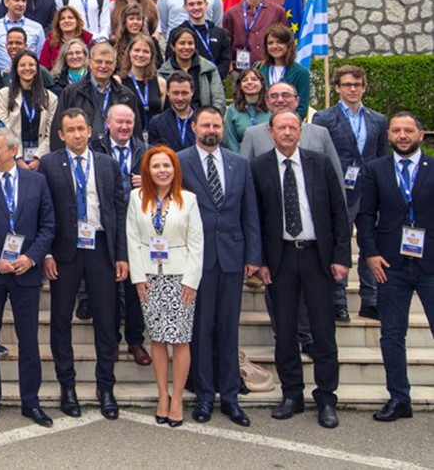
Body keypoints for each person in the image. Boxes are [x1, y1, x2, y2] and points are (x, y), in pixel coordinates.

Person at [253, 111, 351, 429]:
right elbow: (255, 218)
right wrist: (260, 260)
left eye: (292, 127)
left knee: (323, 332)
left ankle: (326, 398)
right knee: (285, 332)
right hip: (279, 258)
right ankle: (292, 394)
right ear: (270, 132)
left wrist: (341, 257)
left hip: (316, 256)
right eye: (281, 127)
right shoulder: (258, 167)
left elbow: (339, 212)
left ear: (300, 131)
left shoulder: (319, 163)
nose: (287, 132)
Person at [39, 109, 128, 420]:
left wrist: (121, 255)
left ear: (90, 131)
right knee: (61, 319)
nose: (76, 134)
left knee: (106, 320)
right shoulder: (49, 164)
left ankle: (106, 387)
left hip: (100, 247)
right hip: (64, 249)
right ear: (61, 135)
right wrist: (46, 254)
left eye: (81, 128)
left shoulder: (107, 164)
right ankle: (68, 386)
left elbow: (119, 210)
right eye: (70, 130)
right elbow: (43, 211)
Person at [0, 129, 56, 425]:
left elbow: (48, 226)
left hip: (25, 271)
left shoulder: (37, 181)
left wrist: (31, 258)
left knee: (28, 340)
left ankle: (31, 402)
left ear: (13, 150)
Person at [178, 107, 261, 426]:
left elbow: (249, 211)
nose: (211, 130)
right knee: (200, 330)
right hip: (195, 259)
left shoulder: (239, 163)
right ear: (194, 127)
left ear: (222, 128)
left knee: (228, 329)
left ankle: (230, 397)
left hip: (232, 256)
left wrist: (253, 256)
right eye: (205, 125)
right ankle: (203, 396)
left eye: (216, 125)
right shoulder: (180, 161)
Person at [356, 112, 433, 422]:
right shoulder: (375, 169)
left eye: (409, 130)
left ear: (421, 134)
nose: (403, 135)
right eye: (397, 130)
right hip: (390, 265)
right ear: (388, 134)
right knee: (392, 335)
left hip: (430, 264)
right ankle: (399, 399)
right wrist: (370, 254)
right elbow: (365, 214)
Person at [126, 145, 204, 427]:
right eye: (156, 166)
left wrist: (191, 281)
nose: (162, 171)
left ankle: (178, 399)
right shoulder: (137, 198)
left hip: (180, 278)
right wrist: (138, 277)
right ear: (148, 170)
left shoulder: (188, 199)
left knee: (181, 339)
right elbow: (132, 237)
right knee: (157, 339)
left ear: (175, 169)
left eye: (167, 165)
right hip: (149, 279)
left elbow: (197, 243)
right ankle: (162, 396)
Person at [313, 65, 390, 321]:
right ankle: (338, 300)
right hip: (339, 189)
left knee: (371, 243)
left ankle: (371, 300)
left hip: (369, 190)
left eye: (357, 85)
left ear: (364, 88)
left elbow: (381, 157)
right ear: (337, 88)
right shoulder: (324, 118)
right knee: (340, 243)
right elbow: (320, 156)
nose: (353, 89)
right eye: (347, 85)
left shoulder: (377, 119)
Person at [91, 104, 151, 364]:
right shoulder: (95, 149)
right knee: (108, 287)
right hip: (106, 224)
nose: (125, 127)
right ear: (108, 123)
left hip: (138, 225)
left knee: (137, 286)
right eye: (120, 122)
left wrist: (148, 182)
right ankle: (112, 340)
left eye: (129, 122)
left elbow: (166, 182)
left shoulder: (145, 151)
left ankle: (135, 340)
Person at [50, 42, 141, 150]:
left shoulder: (126, 96)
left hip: (116, 154)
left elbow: (136, 134)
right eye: (98, 61)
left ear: (114, 65)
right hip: (81, 154)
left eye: (108, 62)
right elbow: (58, 129)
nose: (103, 66)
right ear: (90, 62)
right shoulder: (71, 92)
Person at [239, 82, 342, 176]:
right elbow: (242, 174)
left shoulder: (320, 133)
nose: (280, 100)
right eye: (274, 96)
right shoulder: (253, 134)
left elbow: (335, 174)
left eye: (286, 95)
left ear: (297, 101)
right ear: (267, 102)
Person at [0, 49, 58, 167]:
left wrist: (39, 158)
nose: (27, 68)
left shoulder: (50, 98)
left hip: (41, 158)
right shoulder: (4, 95)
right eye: (22, 65)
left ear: (37, 68)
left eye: (31, 65)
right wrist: (17, 157)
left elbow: (51, 132)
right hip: (12, 156)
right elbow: (4, 128)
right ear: (16, 68)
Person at [222, 0, 288, 70]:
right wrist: (229, 68)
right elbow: (225, 43)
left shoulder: (278, 12)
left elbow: (285, 40)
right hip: (240, 70)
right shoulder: (231, 13)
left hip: (270, 68)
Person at [165, 0, 232, 75]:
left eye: (199, 3)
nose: (196, 8)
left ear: (206, 5)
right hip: (186, 80)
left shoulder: (219, 33)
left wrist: (214, 78)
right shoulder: (176, 33)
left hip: (214, 79)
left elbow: (225, 60)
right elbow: (170, 59)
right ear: (185, 7)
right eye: (191, 4)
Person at [158, 27, 226, 110]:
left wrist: (211, 117)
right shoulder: (163, 73)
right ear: (173, 46)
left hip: (203, 116)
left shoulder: (209, 69)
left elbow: (219, 101)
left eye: (190, 43)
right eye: (182, 43)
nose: (187, 47)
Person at [254, 24, 311, 119]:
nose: (274, 46)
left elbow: (302, 108)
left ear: (288, 45)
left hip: (287, 124)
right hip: (260, 121)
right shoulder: (258, 68)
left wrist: (285, 122)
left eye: (279, 42)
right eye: (270, 43)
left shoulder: (301, 72)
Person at [0, 0, 45, 71]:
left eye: (23, 0)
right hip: (0, 75)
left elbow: (40, 58)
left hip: (28, 74)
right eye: (16, 0)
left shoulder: (37, 28)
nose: (21, 4)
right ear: (6, 2)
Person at [119, 34, 165, 137]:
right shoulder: (119, 82)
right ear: (129, 52)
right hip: (129, 137)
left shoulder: (161, 83)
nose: (140, 55)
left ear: (152, 55)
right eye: (136, 50)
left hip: (155, 138)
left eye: (146, 51)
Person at [148, 72, 198, 152]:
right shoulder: (156, 123)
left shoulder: (203, 121)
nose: (180, 98)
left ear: (192, 92)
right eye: (175, 93)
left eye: (184, 93)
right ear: (167, 92)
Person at [224, 68, 271, 152]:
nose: (249, 82)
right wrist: (239, 158)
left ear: (262, 84)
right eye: (245, 80)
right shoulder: (232, 110)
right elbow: (230, 140)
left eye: (254, 79)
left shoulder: (271, 108)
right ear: (240, 86)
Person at [39, 5, 94, 71]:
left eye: (70, 18)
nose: (66, 21)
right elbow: (44, 68)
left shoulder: (88, 41)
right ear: (58, 23)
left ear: (77, 21)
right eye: (62, 19)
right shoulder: (50, 42)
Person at [112, 3, 165, 70]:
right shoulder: (116, 43)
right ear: (125, 21)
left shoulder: (152, 42)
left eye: (139, 19)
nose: (135, 22)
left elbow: (159, 65)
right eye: (131, 19)